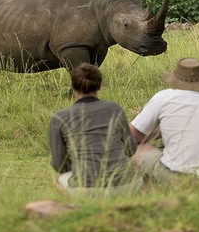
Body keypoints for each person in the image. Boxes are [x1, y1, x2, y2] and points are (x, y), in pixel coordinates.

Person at [49, 62, 142, 195]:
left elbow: (59, 164)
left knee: (59, 181)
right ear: (99, 84)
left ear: (72, 85)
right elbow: (130, 149)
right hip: (125, 184)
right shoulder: (115, 109)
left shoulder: (59, 117)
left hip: (85, 187)